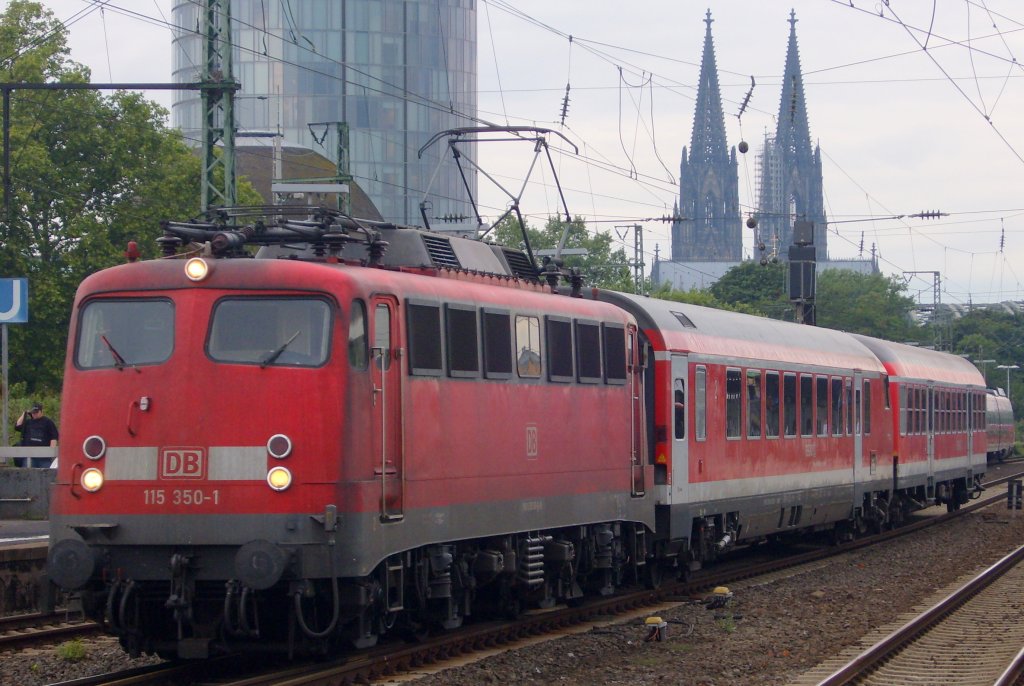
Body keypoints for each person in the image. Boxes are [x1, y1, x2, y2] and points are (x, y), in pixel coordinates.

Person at [15, 402, 59, 468]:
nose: (34, 414)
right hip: (29, 456)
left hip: (44, 458)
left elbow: (54, 437)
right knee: (26, 473)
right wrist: (24, 413)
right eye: (33, 412)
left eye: (36, 412)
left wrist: (50, 452)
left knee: (47, 473)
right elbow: (17, 426)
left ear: (41, 411)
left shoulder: (48, 422)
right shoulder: (28, 423)